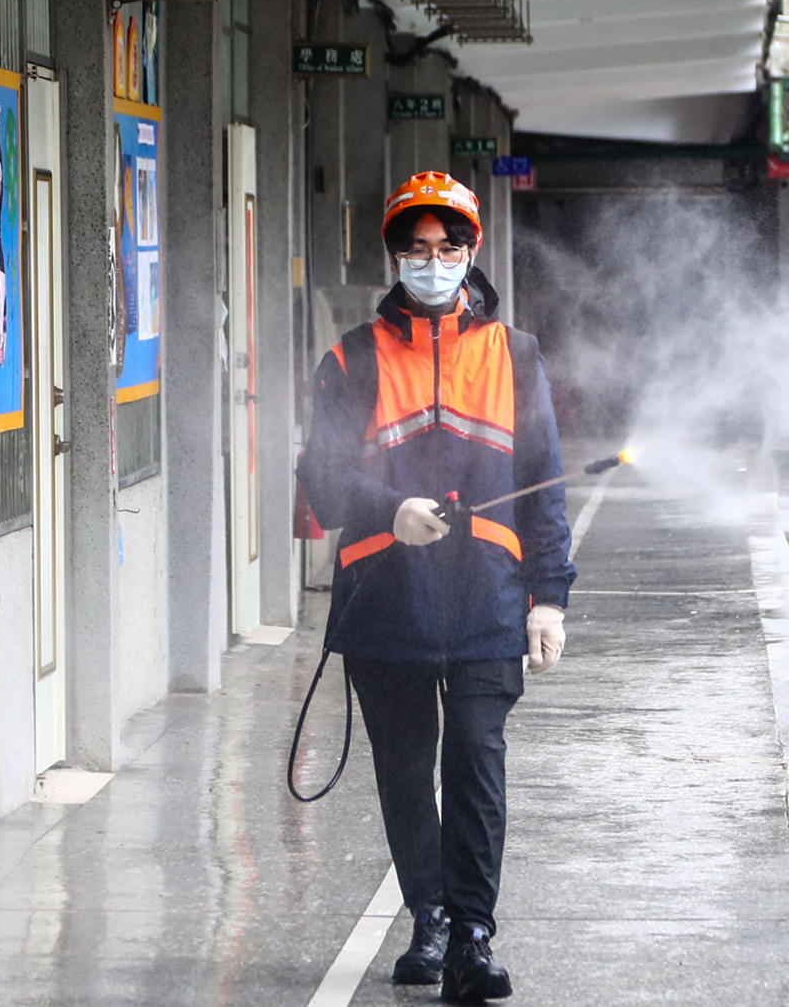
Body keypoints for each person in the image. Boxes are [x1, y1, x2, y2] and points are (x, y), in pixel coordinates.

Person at [296, 172, 575, 1005]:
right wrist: (390, 509)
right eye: (416, 249)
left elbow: (545, 484)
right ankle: (431, 916)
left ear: (471, 250)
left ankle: (473, 933)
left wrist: (549, 598)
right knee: (406, 767)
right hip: (387, 600)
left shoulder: (515, 355)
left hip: (490, 598)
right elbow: (321, 478)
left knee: (478, 761)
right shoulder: (350, 358)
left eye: (447, 247)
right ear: (394, 255)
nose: (432, 261)